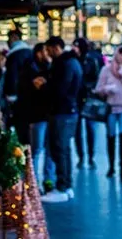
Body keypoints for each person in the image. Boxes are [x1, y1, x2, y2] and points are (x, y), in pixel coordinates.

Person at [41, 36, 82, 204]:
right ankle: (66, 185)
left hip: (62, 112)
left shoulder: (64, 64)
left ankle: (62, 186)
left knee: (60, 148)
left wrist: (43, 86)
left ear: (56, 47)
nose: (47, 53)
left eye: (49, 49)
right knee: (64, 149)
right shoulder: (72, 62)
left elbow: (59, 89)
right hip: (69, 111)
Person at [18, 43, 56, 192]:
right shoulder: (32, 70)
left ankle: (45, 181)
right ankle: (34, 182)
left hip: (44, 116)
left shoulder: (48, 68)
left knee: (45, 149)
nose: (48, 53)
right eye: (45, 51)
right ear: (39, 53)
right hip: (37, 116)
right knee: (37, 150)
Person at [95, 44, 122, 181]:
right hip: (111, 108)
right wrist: (107, 89)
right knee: (111, 137)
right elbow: (98, 89)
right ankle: (111, 166)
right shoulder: (106, 70)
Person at [73, 38, 103, 169]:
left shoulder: (91, 60)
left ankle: (90, 156)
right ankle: (81, 156)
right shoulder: (74, 60)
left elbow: (96, 77)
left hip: (88, 98)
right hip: (77, 98)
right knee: (78, 130)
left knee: (90, 128)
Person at [3, 30, 33, 144]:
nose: (8, 41)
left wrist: (11, 95)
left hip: (18, 98)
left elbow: (12, 76)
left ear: (15, 38)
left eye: (9, 38)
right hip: (27, 96)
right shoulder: (28, 52)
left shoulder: (15, 55)